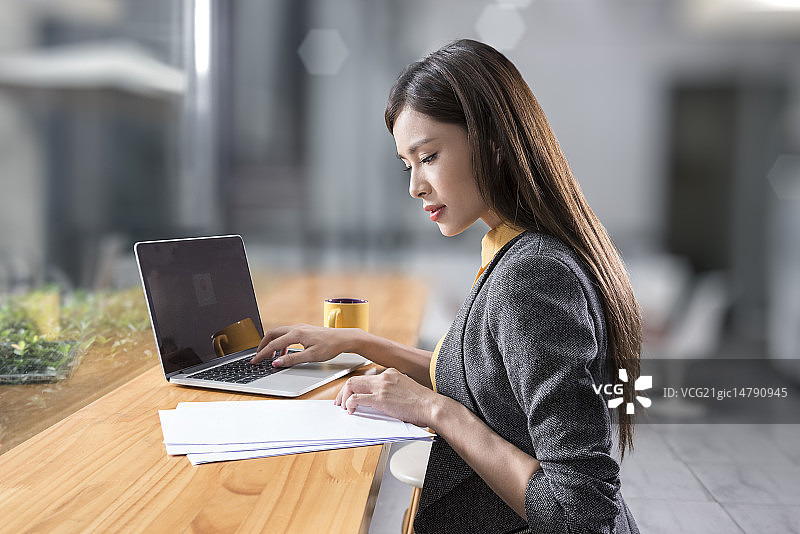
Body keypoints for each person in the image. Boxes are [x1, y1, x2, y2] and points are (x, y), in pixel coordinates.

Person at [251, 39, 642, 534]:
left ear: (494, 142)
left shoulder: (531, 276)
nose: (415, 186)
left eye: (429, 156)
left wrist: (434, 410)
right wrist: (355, 341)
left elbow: (579, 513)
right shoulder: (512, 249)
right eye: (407, 164)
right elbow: (481, 382)